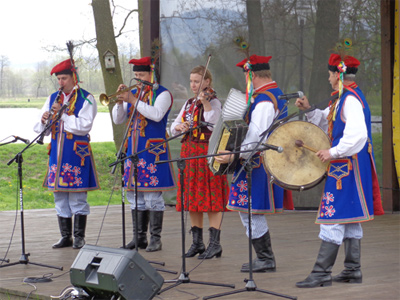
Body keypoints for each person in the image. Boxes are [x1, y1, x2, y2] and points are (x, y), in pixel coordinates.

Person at [294, 53, 384, 288]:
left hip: (346, 168)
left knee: (332, 217)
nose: (328, 78)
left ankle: (321, 273)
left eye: (330, 74)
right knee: (350, 218)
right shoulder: (344, 98)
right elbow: (327, 121)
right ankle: (352, 270)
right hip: (349, 167)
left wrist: (333, 152)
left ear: (337, 75)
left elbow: (358, 135)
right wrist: (309, 108)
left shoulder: (350, 100)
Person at [215, 54, 293, 272]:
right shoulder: (272, 94)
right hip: (254, 160)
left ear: (251, 75)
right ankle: (264, 257)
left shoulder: (265, 100)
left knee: (250, 210)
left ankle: (266, 259)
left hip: (256, 162)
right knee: (248, 210)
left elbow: (257, 136)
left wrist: (234, 155)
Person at [112, 56, 176, 252]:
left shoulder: (163, 94)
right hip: (133, 150)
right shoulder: (132, 92)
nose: (138, 79)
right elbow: (118, 119)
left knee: (152, 196)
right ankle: (139, 238)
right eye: (136, 75)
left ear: (152, 73)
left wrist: (132, 99)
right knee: (135, 195)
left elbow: (156, 115)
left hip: (152, 150)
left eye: (142, 75)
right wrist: (120, 102)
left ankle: (155, 238)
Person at [34, 59, 99, 249]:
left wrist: (62, 115)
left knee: (77, 196)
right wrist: (45, 120)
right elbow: (41, 130)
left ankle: (79, 236)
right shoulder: (53, 97)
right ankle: (65, 236)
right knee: (59, 195)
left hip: (76, 153)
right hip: (57, 153)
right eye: (59, 79)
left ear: (73, 77)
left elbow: (84, 126)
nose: (61, 82)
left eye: (64, 78)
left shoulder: (87, 98)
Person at [170, 66, 229, 259]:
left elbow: (213, 122)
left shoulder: (214, 102)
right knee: (192, 199)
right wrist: (180, 126)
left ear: (207, 82)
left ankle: (215, 244)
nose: (193, 85)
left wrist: (206, 104)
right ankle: (197, 242)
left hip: (207, 154)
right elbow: (173, 128)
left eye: (197, 81)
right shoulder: (188, 103)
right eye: (191, 81)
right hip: (190, 155)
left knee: (211, 199)